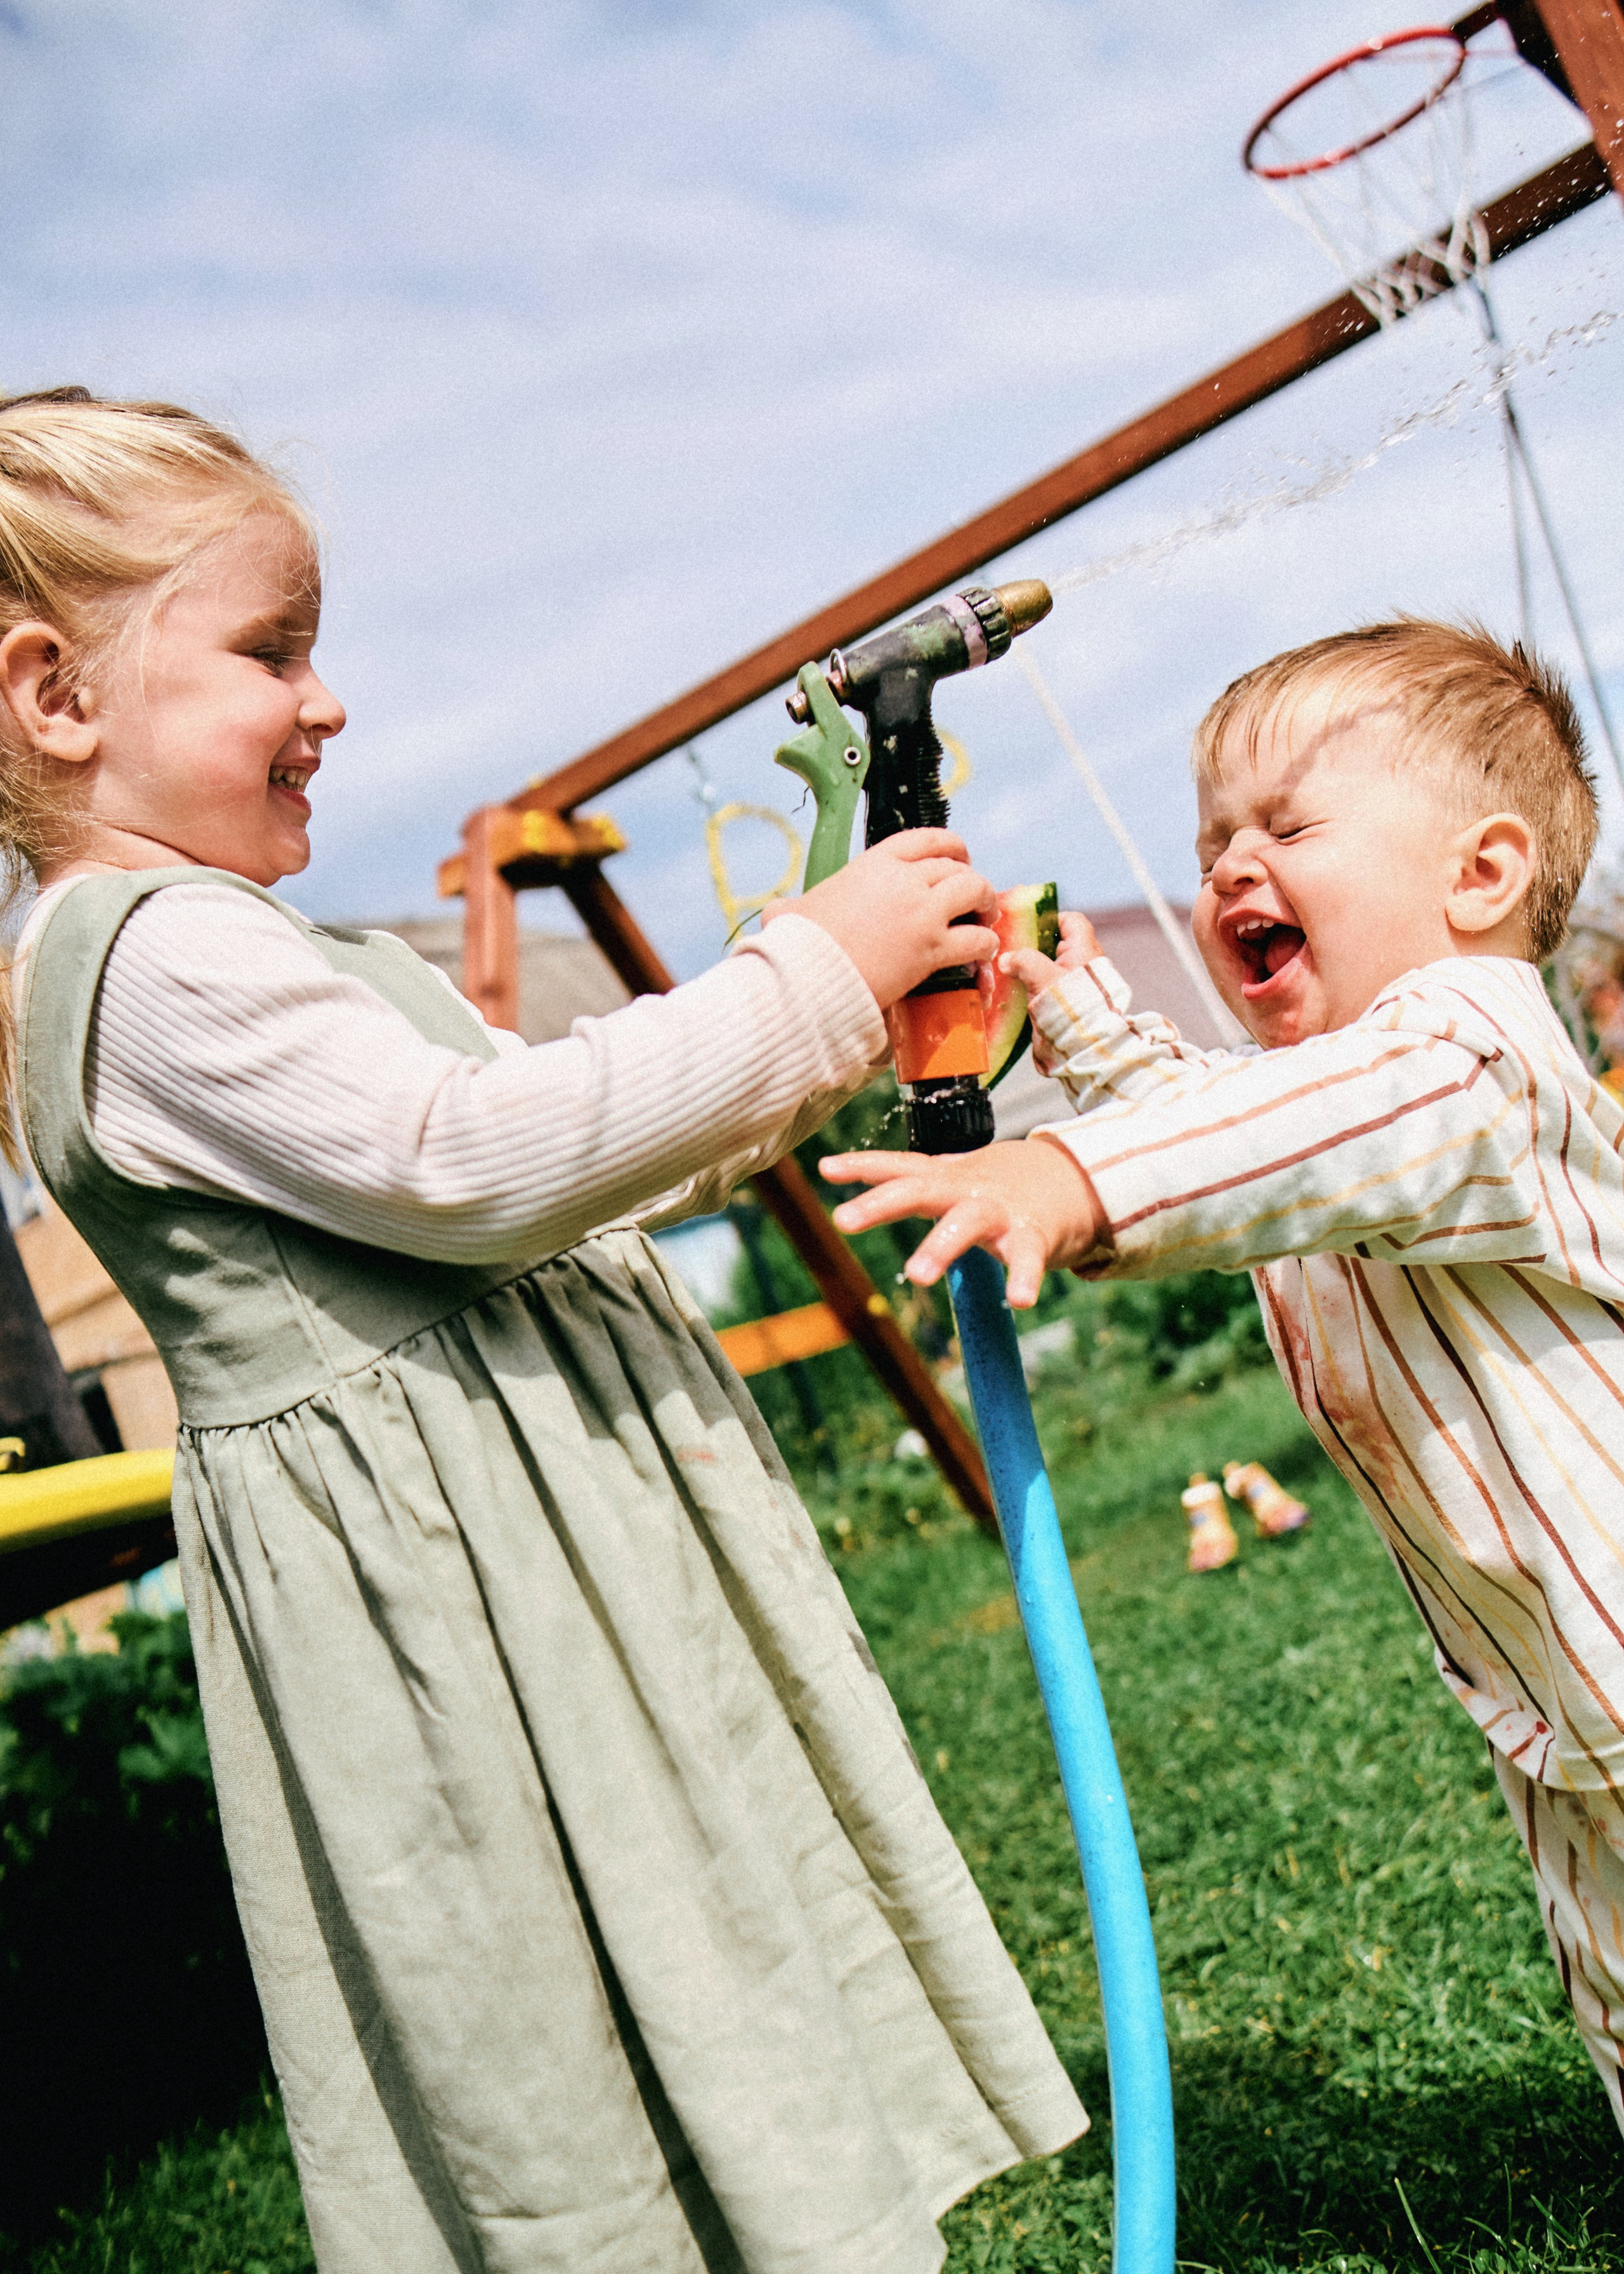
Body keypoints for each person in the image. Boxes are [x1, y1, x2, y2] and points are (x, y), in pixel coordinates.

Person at [1, 389, 1086, 2273]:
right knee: (578, 1991)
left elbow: (596, 1159)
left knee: (688, 1935)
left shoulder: (242, 941)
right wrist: (815, 960)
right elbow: (476, 1158)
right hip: (461, 1612)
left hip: (537, 1575)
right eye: (273, 652)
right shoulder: (148, 959)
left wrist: (823, 990)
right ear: (55, 694)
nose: (326, 702)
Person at [824, 619, 1624, 2128]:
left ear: (1479, 875)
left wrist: (1066, 1177)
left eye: (1290, 827)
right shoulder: (1332, 1105)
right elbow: (1229, 1119)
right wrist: (1063, 1011)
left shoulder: (1473, 1052)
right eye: (1210, 844)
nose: (1227, 870)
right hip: (1554, 1684)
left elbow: (1276, 1138)